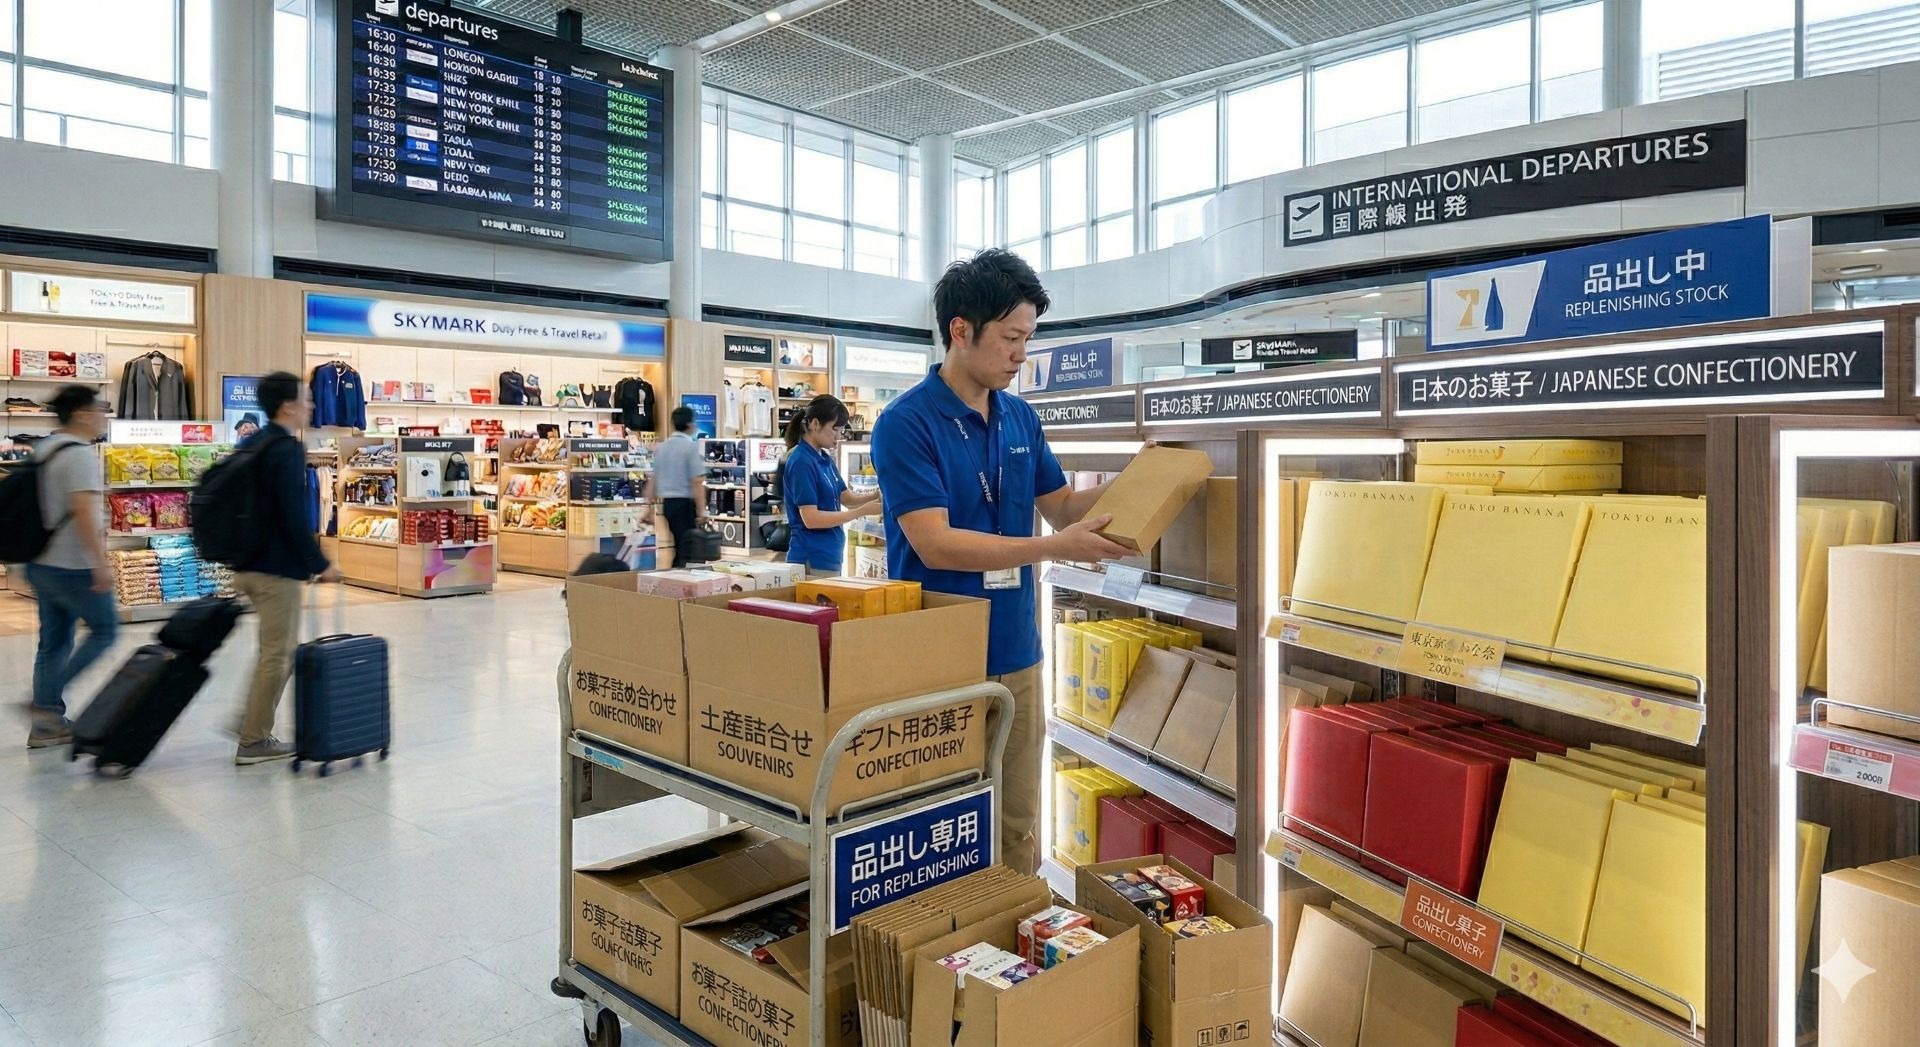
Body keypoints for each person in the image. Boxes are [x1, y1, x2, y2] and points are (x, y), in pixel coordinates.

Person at [870, 249, 1127, 875]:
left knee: (1015, 823)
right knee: (935, 823)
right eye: (1011, 338)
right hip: (939, 654)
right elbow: (936, 542)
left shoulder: (1019, 417)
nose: (1020, 355)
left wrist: (1143, 480)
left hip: (1016, 649)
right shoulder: (906, 423)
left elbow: (1063, 508)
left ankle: (1011, 954)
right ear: (962, 330)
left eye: (1027, 340)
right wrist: (1051, 548)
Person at [230, 372, 342, 765]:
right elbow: (293, 516)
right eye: (305, 399)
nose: (311, 406)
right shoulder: (286, 449)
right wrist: (320, 563)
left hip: (246, 563)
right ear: (287, 406)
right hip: (275, 570)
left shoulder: (254, 443)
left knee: (270, 652)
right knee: (278, 655)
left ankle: (247, 717)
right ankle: (253, 739)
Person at [24, 386, 114, 749]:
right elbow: (83, 514)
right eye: (100, 409)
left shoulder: (44, 449)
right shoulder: (78, 455)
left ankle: (47, 723)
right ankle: (44, 710)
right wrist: (100, 564)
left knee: (54, 642)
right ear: (81, 413)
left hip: (41, 562)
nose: (103, 415)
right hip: (73, 565)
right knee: (106, 631)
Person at [780, 395, 880, 576]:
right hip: (811, 557)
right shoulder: (801, 461)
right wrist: (861, 512)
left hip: (830, 556)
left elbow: (846, 498)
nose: (839, 436)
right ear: (815, 424)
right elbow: (811, 519)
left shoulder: (824, 458)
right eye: (835, 429)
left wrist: (875, 496)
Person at [647, 405, 705, 568]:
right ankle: (681, 580)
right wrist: (702, 510)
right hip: (684, 504)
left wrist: (649, 507)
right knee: (687, 548)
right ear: (690, 425)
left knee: (678, 545)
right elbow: (697, 481)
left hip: (668, 505)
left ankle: (675, 576)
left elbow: (654, 479)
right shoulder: (690, 447)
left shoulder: (662, 447)